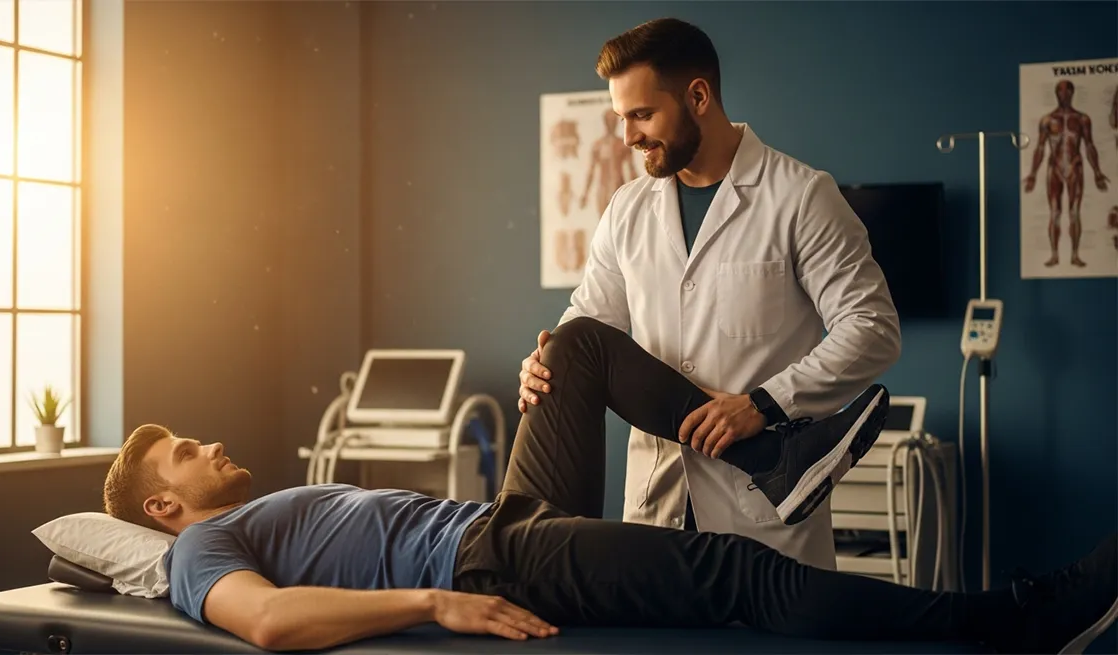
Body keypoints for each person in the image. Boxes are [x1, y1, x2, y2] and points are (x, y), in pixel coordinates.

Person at [103, 317, 1118, 654]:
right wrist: (433, 600)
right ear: (164, 504)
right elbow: (272, 623)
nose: (209, 443)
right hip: (491, 557)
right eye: (187, 451)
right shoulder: (197, 551)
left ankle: (772, 453)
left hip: (505, 515)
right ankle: (1012, 625)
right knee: (735, 575)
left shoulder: (243, 513)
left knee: (577, 345)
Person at [518, 18, 903, 569]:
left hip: (764, 526)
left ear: (698, 95)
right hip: (657, 510)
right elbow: (589, 328)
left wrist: (762, 405)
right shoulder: (627, 208)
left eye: (642, 115)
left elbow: (872, 329)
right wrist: (544, 362)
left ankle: (776, 460)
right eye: (621, 119)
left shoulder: (799, 196)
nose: (627, 138)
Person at [1023, 79, 1110, 268]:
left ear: (1072, 93)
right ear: (1056, 93)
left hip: (1075, 167)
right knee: (1054, 213)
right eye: (1059, 91)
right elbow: (1039, 147)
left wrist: (1097, 172)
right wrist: (1032, 174)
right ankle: (1054, 255)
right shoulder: (1047, 120)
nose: (1063, 94)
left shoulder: (1082, 119)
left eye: (1066, 91)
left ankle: (1075, 255)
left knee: (1075, 212)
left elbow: (1089, 145)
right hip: (1054, 168)